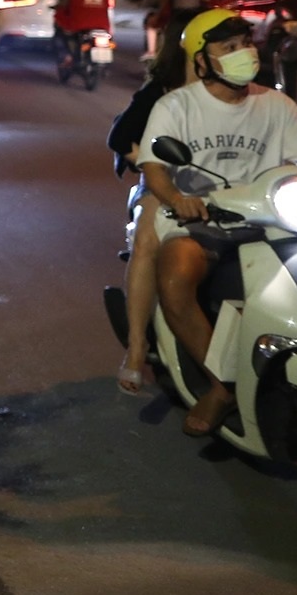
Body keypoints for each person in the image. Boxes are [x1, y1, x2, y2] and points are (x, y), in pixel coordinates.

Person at [140, 10, 297, 436]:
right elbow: (154, 169)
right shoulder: (177, 106)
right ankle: (220, 385)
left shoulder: (276, 105)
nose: (244, 53)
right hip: (207, 221)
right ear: (202, 61)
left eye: (246, 43)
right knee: (175, 272)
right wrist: (178, 201)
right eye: (229, 48)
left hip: (275, 219)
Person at [105, 47, 187, 395]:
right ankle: (137, 348)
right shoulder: (163, 93)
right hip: (166, 186)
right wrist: (152, 168)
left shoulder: (254, 94)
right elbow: (121, 136)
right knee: (149, 239)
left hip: (234, 190)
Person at [52, 0, 112, 67]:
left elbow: (63, 4)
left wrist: (58, 8)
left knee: (61, 32)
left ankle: (67, 56)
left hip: (78, 25)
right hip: (102, 26)